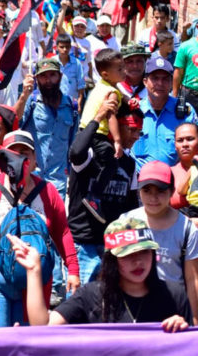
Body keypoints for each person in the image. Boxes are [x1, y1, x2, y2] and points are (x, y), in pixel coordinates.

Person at [0, 130, 79, 326]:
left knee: (28, 343)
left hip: (35, 282)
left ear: (34, 159)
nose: (20, 158)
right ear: (3, 158)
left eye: (26, 152)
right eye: (13, 153)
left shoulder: (47, 192)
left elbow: (63, 232)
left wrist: (73, 269)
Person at [14, 218, 190, 331]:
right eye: (128, 255)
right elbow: (43, 327)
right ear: (112, 260)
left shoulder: (175, 295)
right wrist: (33, 271)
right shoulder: (91, 296)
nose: (138, 261)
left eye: (144, 252)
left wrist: (183, 331)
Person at [67, 98, 141, 284]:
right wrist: (99, 116)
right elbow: (75, 152)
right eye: (131, 129)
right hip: (84, 245)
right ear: (114, 126)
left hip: (113, 247)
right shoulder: (91, 153)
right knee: (80, 309)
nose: (135, 137)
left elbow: (130, 208)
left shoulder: (129, 165)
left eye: (139, 132)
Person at [121, 160, 198, 324]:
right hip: (134, 307)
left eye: (160, 191)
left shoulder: (186, 229)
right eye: (147, 190)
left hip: (173, 310)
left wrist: (194, 321)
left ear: (171, 191)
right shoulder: (126, 222)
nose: (153, 198)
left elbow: (193, 279)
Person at [16, 58, 79, 197]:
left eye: (52, 75)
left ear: (60, 76)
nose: (48, 80)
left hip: (58, 181)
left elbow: (72, 144)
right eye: (43, 76)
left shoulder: (71, 106)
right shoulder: (31, 102)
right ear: (37, 79)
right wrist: (23, 96)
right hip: (30, 177)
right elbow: (15, 122)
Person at [132, 56, 196, 168]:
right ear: (145, 82)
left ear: (172, 83)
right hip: (140, 181)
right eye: (155, 78)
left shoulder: (185, 112)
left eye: (165, 79)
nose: (160, 83)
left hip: (175, 180)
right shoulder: (134, 110)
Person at [78, 49, 125, 159]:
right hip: (97, 134)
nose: (124, 71)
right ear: (105, 74)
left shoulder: (102, 85)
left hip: (84, 130)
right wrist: (117, 141)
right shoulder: (112, 93)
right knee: (109, 164)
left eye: (123, 67)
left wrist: (127, 99)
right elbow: (110, 116)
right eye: (120, 69)